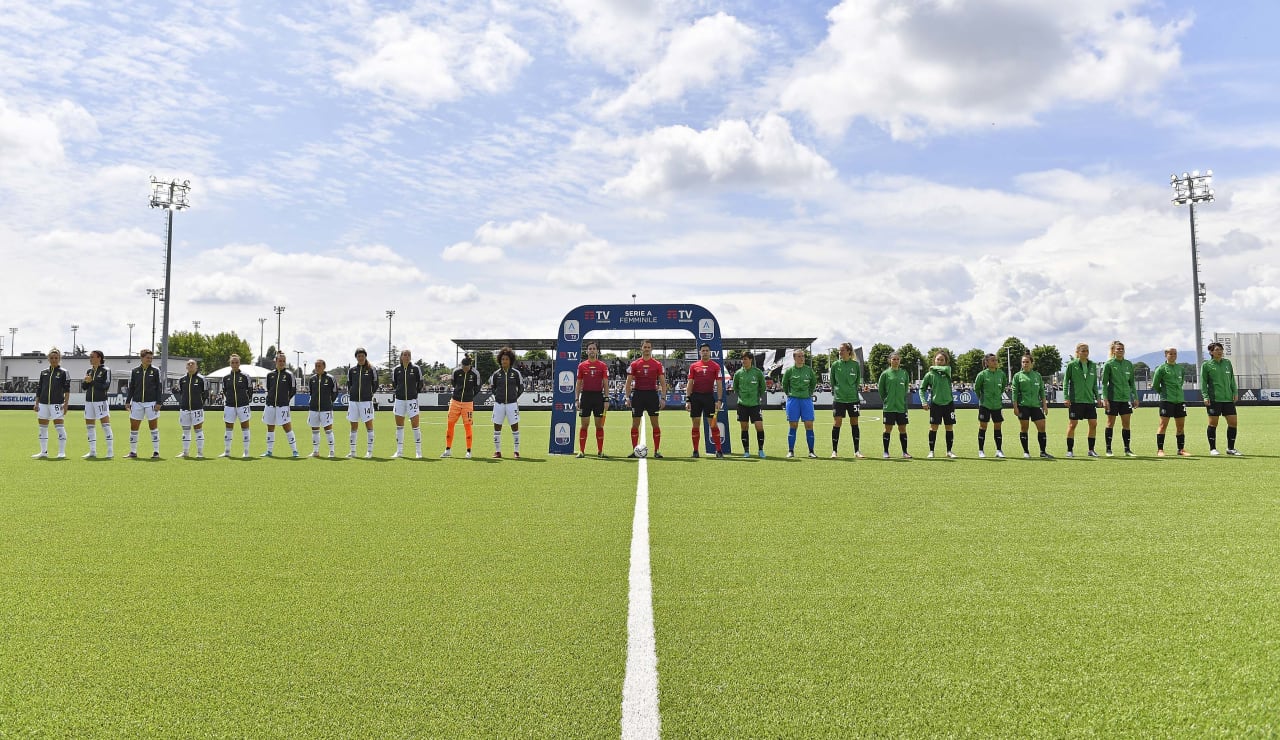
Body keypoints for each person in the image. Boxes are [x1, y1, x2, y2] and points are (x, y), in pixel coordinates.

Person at [624, 339, 668, 459]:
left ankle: (657, 451)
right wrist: (627, 397)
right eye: (645, 347)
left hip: (652, 396)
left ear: (651, 349)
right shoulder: (634, 364)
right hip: (638, 395)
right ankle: (634, 450)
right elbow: (628, 383)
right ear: (641, 349)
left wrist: (663, 398)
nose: (647, 349)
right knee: (635, 424)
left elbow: (663, 383)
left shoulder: (657, 364)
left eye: (649, 347)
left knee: (655, 424)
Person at [1201, 341, 1242, 455]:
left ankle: (1231, 448)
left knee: (1233, 423)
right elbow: (1203, 382)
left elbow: (1232, 379)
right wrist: (1205, 396)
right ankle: (1213, 449)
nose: (1219, 352)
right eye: (1217, 350)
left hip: (1228, 399)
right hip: (1214, 399)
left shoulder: (1227, 363)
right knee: (1213, 424)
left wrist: (1235, 392)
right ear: (1211, 352)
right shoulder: (1206, 365)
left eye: (1221, 349)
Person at [685, 343, 724, 458]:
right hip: (695, 398)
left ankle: (718, 450)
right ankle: (695, 451)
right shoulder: (693, 366)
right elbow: (690, 383)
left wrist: (719, 399)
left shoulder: (716, 366)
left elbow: (719, 384)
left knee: (713, 425)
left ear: (710, 352)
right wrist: (688, 400)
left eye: (707, 350)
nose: (705, 352)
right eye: (703, 350)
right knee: (695, 425)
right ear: (699, 352)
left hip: (708, 398)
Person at [1063, 342, 1101, 458]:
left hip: (1089, 400)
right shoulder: (1071, 365)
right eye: (1083, 351)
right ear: (1077, 352)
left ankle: (1091, 450)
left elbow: (1094, 383)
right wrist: (1066, 397)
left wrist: (1098, 397)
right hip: (1076, 400)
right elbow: (1065, 382)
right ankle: (1069, 450)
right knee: (1072, 425)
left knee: (1093, 424)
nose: (1085, 353)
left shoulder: (1093, 365)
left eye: (1087, 351)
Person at [1101, 340, 1139, 457]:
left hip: (1125, 399)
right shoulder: (1109, 364)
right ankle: (1108, 449)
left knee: (1126, 424)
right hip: (1113, 398)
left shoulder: (1128, 364)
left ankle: (1127, 450)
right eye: (1118, 349)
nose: (1120, 351)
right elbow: (1104, 383)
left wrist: (1135, 397)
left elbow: (1132, 382)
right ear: (1113, 350)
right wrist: (1105, 398)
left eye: (1122, 349)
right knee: (1110, 423)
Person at [1151, 347, 1190, 457]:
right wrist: (1163, 393)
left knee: (1181, 427)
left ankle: (1181, 449)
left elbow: (1181, 382)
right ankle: (1160, 450)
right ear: (1166, 355)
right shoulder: (1161, 369)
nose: (1173, 356)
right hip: (1166, 400)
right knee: (1163, 425)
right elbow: (1155, 385)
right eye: (1171, 354)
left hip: (1180, 400)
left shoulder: (1180, 369)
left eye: (1175, 354)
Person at [1012, 353, 1053, 459]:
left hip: (1035, 406)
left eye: (1027, 362)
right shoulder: (1017, 376)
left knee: (1042, 426)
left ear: (1032, 363)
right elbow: (1015, 393)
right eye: (1023, 362)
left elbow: (1041, 392)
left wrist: (1045, 405)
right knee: (1024, 428)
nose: (1025, 364)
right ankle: (1026, 452)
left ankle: (1043, 452)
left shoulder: (1037, 375)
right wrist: (1015, 407)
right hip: (1023, 406)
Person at [125, 348, 163, 459]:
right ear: (142, 358)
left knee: (153, 427)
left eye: (151, 358)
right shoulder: (135, 371)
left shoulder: (155, 371)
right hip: (137, 403)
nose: (150, 360)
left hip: (151, 403)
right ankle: (133, 452)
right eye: (147, 358)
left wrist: (159, 402)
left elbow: (159, 388)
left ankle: (156, 452)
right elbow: (131, 387)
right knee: (134, 427)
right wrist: (128, 401)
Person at [33, 348, 71, 458]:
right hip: (43, 404)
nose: (54, 360)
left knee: (59, 427)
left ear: (59, 359)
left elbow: (67, 390)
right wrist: (37, 403)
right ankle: (43, 452)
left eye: (56, 358)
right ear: (48, 359)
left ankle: (61, 452)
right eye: (52, 358)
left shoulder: (64, 372)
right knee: (42, 428)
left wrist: (66, 404)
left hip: (57, 404)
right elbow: (39, 389)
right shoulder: (43, 372)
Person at [575, 341, 610, 458]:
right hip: (585, 397)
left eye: (594, 348)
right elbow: (578, 384)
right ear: (587, 351)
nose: (592, 350)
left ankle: (600, 451)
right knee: (584, 425)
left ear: (597, 351)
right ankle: (581, 451)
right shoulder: (581, 366)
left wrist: (606, 399)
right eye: (590, 349)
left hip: (598, 397)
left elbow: (605, 383)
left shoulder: (603, 366)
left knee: (599, 426)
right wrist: (577, 399)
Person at [920, 351, 957, 459]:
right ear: (934, 360)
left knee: (949, 428)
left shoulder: (947, 370)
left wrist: (932, 367)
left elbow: (945, 368)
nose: (940, 361)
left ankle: (949, 451)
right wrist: (924, 401)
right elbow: (922, 389)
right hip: (936, 404)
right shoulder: (929, 375)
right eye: (938, 359)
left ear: (946, 362)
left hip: (949, 403)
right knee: (933, 428)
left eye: (942, 360)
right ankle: (931, 451)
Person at [442, 356, 482, 458]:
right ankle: (447, 450)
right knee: (450, 425)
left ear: (470, 365)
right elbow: (454, 383)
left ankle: (468, 451)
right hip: (455, 401)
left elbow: (478, 387)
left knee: (467, 426)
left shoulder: (475, 373)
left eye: (466, 367)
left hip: (468, 403)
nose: (464, 368)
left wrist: (470, 395)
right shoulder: (456, 371)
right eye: (463, 366)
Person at [829, 342, 864, 459]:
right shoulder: (835, 365)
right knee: (837, 423)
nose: (840, 352)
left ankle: (857, 451)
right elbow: (832, 382)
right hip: (839, 399)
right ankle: (834, 451)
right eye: (839, 350)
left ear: (849, 351)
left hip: (853, 399)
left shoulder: (855, 365)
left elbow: (857, 381)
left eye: (842, 350)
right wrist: (837, 390)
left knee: (854, 423)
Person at [262, 352, 299, 458]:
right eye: (280, 361)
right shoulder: (270, 375)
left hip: (283, 406)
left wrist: (285, 400)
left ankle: (295, 451)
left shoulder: (289, 375)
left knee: (287, 428)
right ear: (276, 361)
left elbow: (293, 390)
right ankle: (269, 451)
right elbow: (269, 388)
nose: (282, 363)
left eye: (283, 361)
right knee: (270, 428)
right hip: (270, 405)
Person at [781, 349, 817, 458]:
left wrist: (808, 393)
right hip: (793, 400)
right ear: (794, 358)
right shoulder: (789, 371)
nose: (802, 358)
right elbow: (785, 384)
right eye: (799, 356)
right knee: (793, 425)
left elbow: (813, 383)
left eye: (803, 356)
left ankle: (811, 451)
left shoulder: (809, 370)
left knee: (809, 425)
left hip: (806, 400)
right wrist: (790, 394)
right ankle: (791, 451)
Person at [489, 347, 524, 459]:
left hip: (512, 404)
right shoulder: (496, 374)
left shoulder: (516, 373)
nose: (504, 361)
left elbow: (521, 388)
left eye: (507, 359)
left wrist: (514, 397)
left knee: (515, 428)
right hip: (498, 404)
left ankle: (516, 451)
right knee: (497, 428)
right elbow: (492, 388)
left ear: (510, 360)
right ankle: (498, 451)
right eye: (503, 359)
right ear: (500, 360)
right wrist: (498, 396)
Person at [732, 351, 767, 458]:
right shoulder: (738, 373)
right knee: (744, 427)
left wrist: (756, 397)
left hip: (755, 404)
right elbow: (735, 388)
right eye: (742, 359)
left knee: (759, 426)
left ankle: (761, 450)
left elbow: (763, 387)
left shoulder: (757, 372)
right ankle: (746, 451)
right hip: (742, 405)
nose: (743, 361)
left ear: (750, 360)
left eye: (745, 359)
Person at [80, 349, 113, 459]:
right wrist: (86, 381)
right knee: (89, 427)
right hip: (89, 402)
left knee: (106, 426)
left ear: (99, 358)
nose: (90, 358)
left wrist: (92, 381)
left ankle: (110, 451)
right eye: (90, 356)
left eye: (92, 356)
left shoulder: (105, 370)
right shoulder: (89, 370)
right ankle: (92, 451)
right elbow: (84, 387)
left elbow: (105, 386)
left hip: (101, 401)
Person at [877, 352, 911, 459]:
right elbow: (881, 390)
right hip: (889, 407)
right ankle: (886, 452)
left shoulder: (904, 374)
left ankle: (905, 452)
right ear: (890, 360)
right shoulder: (885, 374)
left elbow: (905, 389)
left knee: (903, 429)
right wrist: (886, 400)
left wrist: (902, 401)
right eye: (894, 359)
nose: (896, 361)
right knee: (888, 429)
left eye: (897, 359)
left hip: (901, 407)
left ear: (900, 361)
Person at [973, 353, 1007, 459]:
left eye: (996, 360)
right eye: (992, 360)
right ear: (987, 362)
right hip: (985, 405)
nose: (995, 362)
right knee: (983, 427)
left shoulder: (1001, 374)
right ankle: (981, 450)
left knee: (998, 427)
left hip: (997, 405)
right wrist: (982, 399)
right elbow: (977, 389)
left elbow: (1003, 388)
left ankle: (998, 450)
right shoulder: (982, 375)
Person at [391, 349, 424, 458]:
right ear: (401, 357)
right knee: (399, 426)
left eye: (408, 355)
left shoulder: (416, 369)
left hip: (412, 400)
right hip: (399, 400)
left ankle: (418, 452)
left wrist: (413, 393)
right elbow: (394, 384)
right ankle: (399, 451)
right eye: (404, 355)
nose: (406, 357)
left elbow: (420, 383)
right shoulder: (396, 369)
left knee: (415, 426)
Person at [172, 359, 208, 458]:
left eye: (193, 364)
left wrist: (200, 404)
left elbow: (205, 394)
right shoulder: (182, 379)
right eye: (189, 364)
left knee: (198, 430)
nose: (191, 365)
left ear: (196, 366)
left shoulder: (202, 379)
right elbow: (180, 392)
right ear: (186, 367)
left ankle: (200, 453)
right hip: (184, 409)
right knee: (185, 431)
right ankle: (185, 452)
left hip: (197, 409)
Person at [346, 348, 377, 458]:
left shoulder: (371, 369)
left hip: (366, 402)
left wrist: (369, 394)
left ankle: (369, 451)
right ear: (356, 357)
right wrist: (353, 393)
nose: (360, 358)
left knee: (369, 426)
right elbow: (349, 384)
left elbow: (375, 384)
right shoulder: (351, 370)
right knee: (353, 426)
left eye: (362, 356)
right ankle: (353, 451)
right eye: (358, 356)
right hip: (353, 401)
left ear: (365, 356)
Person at [221, 354, 253, 458]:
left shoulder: (245, 376)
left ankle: (246, 452)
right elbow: (225, 391)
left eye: (236, 362)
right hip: (229, 406)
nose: (234, 364)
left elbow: (250, 390)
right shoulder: (226, 378)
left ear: (239, 363)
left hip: (243, 405)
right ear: (230, 363)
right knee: (228, 428)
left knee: (245, 427)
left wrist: (245, 400)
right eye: (232, 362)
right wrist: (230, 400)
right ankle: (227, 451)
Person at [307, 358, 337, 458]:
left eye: (319, 366)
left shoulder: (330, 378)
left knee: (328, 430)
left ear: (324, 367)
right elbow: (311, 392)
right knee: (314, 430)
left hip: (326, 408)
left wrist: (328, 402)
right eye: (316, 366)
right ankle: (316, 452)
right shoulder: (312, 379)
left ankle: (332, 452)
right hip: (313, 408)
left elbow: (335, 392)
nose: (317, 368)